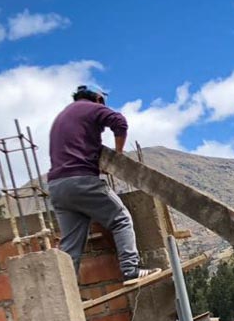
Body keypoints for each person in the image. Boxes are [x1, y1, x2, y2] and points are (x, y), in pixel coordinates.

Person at [47, 84, 159, 284]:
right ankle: (130, 270)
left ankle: (66, 294)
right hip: (81, 181)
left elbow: (72, 154)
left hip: (57, 187)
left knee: (71, 247)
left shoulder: (63, 117)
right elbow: (120, 122)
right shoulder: (91, 107)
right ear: (98, 99)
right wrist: (118, 154)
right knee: (121, 219)